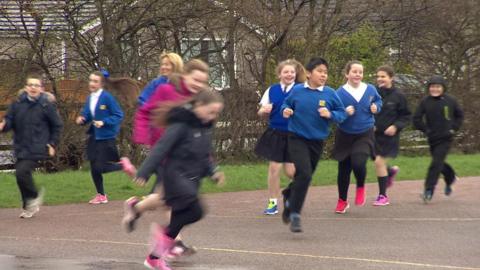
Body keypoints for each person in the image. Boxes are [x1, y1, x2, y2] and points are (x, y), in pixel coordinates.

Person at [120, 59, 210, 262]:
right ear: (185, 75)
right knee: (178, 199)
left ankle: (136, 208)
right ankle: (172, 242)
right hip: (164, 151)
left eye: (202, 81)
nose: (198, 84)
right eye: (195, 79)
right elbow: (145, 111)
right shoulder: (165, 90)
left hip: (185, 155)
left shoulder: (200, 98)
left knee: (166, 197)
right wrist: (142, 136)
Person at [132, 90, 225, 270]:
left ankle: (154, 256)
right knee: (194, 206)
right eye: (211, 111)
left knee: (193, 214)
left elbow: (204, 155)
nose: (214, 116)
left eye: (217, 113)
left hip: (191, 178)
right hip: (175, 176)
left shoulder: (204, 127)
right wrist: (145, 171)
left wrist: (213, 171)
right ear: (198, 106)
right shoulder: (181, 124)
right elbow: (161, 147)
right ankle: (162, 240)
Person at [281, 57, 346, 232]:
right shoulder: (297, 90)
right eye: (320, 71)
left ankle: (289, 195)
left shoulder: (330, 93)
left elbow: (342, 113)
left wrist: (330, 114)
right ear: (309, 73)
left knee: (303, 177)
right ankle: (295, 214)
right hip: (296, 138)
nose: (324, 75)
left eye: (326, 72)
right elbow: (286, 104)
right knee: (305, 174)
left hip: (317, 141)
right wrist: (285, 110)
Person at [0, 73, 63, 218]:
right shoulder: (17, 104)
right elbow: (9, 121)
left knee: (22, 172)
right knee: (20, 176)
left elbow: (57, 126)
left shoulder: (46, 105)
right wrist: (3, 126)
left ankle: (34, 197)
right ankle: (28, 206)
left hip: (38, 146)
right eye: (30, 85)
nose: (33, 87)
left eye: (36, 85)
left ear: (41, 88)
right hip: (21, 146)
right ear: (26, 88)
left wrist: (52, 143)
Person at [255, 59, 305, 215]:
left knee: (291, 172)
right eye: (286, 72)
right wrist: (264, 110)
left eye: (292, 72)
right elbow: (260, 112)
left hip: (294, 134)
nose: (289, 74)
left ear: (295, 74)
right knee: (274, 168)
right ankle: (272, 202)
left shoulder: (302, 89)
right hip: (275, 133)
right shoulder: (272, 90)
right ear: (279, 74)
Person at [333, 60, 382, 214]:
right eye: (354, 71)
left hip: (364, 133)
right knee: (344, 169)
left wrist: (376, 107)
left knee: (359, 162)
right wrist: (344, 113)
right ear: (347, 74)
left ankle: (360, 186)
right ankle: (342, 201)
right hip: (344, 135)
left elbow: (379, 100)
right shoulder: (339, 93)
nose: (357, 74)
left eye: (360, 72)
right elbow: (333, 114)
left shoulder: (370, 89)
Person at [75, 70, 124, 204]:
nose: (92, 83)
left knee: (100, 167)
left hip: (106, 137)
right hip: (94, 136)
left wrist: (104, 122)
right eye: (90, 80)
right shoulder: (90, 98)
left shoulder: (107, 97)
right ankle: (101, 195)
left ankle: (123, 166)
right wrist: (82, 119)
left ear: (101, 84)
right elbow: (87, 115)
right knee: (93, 165)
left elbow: (119, 115)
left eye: (95, 81)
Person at [413, 75, 463, 202]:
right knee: (439, 163)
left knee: (435, 163)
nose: (435, 89)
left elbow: (459, 115)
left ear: (443, 88)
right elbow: (416, 119)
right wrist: (426, 130)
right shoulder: (425, 101)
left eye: (438, 87)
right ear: (429, 88)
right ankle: (451, 177)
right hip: (432, 138)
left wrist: (453, 129)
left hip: (446, 138)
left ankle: (428, 190)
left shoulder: (450, 100)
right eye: (432, 87)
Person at [372, 65, 411, 206]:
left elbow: (406, 116)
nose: (380, 79)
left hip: (390, 137)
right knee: (375, 160)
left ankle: (383, 196)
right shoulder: (373, 93)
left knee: (378, 162)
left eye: (383, 76)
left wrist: (395, 126)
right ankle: (390, 172)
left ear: (391, 78)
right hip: (373, 135)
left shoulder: (399, 96)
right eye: (378, 76)